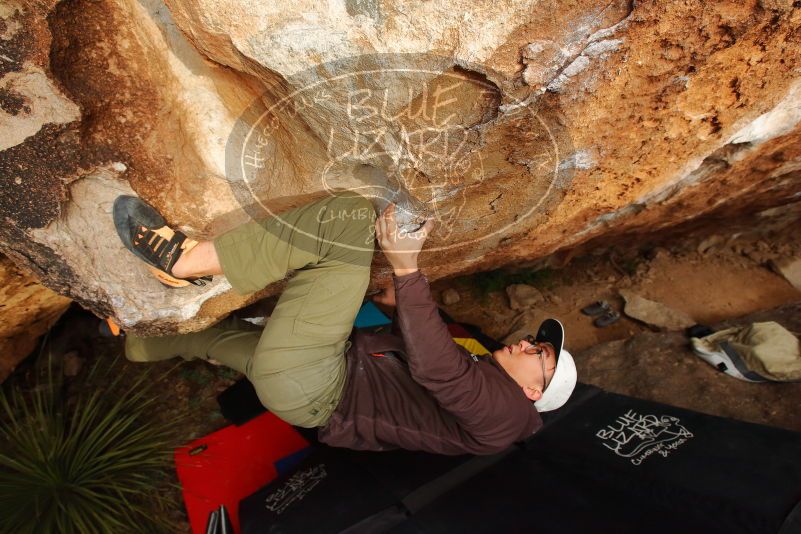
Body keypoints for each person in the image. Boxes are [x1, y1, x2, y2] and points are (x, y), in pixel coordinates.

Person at [114, 191, 577, 455]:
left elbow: (438, 370)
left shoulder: (506, 415)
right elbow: (431, 373)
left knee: (349, 219)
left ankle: (189, 262)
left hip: (319, 381)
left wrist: (406, 269)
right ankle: (136, 340)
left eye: (541, 355)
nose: (529, 343)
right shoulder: (491, 394)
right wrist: (401, 305)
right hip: (307, 396)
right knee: (214, 340)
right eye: (538, 340)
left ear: (535, 392)